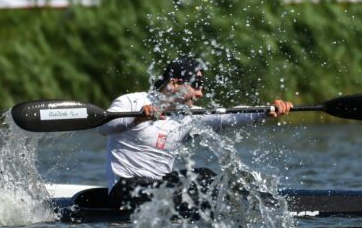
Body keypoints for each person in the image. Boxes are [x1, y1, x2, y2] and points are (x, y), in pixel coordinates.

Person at [97, 57, 292, 214]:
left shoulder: (189, 116)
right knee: (190, 188)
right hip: (124, 190)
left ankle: (257, 205)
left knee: (205, 176)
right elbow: (104, 127)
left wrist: (266, 111)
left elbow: (228, 116)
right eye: (196, 85)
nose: (200, 93)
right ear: (174, 84)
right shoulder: (132, 102)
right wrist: (137, 119)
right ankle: (234, 210)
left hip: (159, 186)